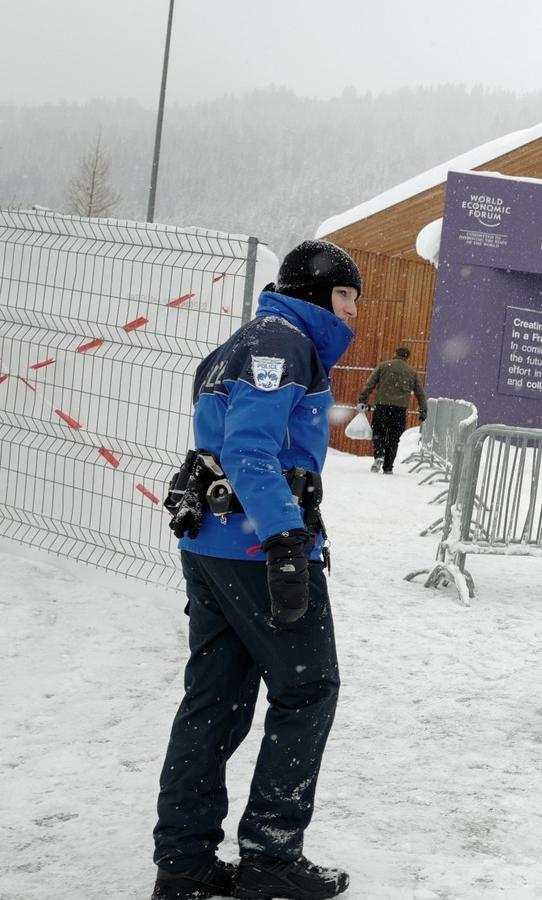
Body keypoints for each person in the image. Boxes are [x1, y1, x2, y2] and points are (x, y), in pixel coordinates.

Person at [152, 239, 361, 900]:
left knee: (215, 699)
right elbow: (247, 448)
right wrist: (285, 542)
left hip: (210, 542)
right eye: (348, 295)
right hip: (253, 546)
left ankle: (183, 863)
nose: (354, 311)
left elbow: (218, 437)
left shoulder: (239, 342)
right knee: (308, 689)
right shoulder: (284, 344)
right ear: (318, 293)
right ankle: (271, 857)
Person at [357, 346, 427, 474]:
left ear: (395, 354)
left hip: (382, 406)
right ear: (407, 357)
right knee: (394, 437)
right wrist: (423, 411)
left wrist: (363, 400)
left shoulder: (383, 366)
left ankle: (379, 456)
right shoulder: (412, 372)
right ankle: (388, 467)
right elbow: (420, 393)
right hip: (400, 410)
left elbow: (369, 384)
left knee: (379, 432)